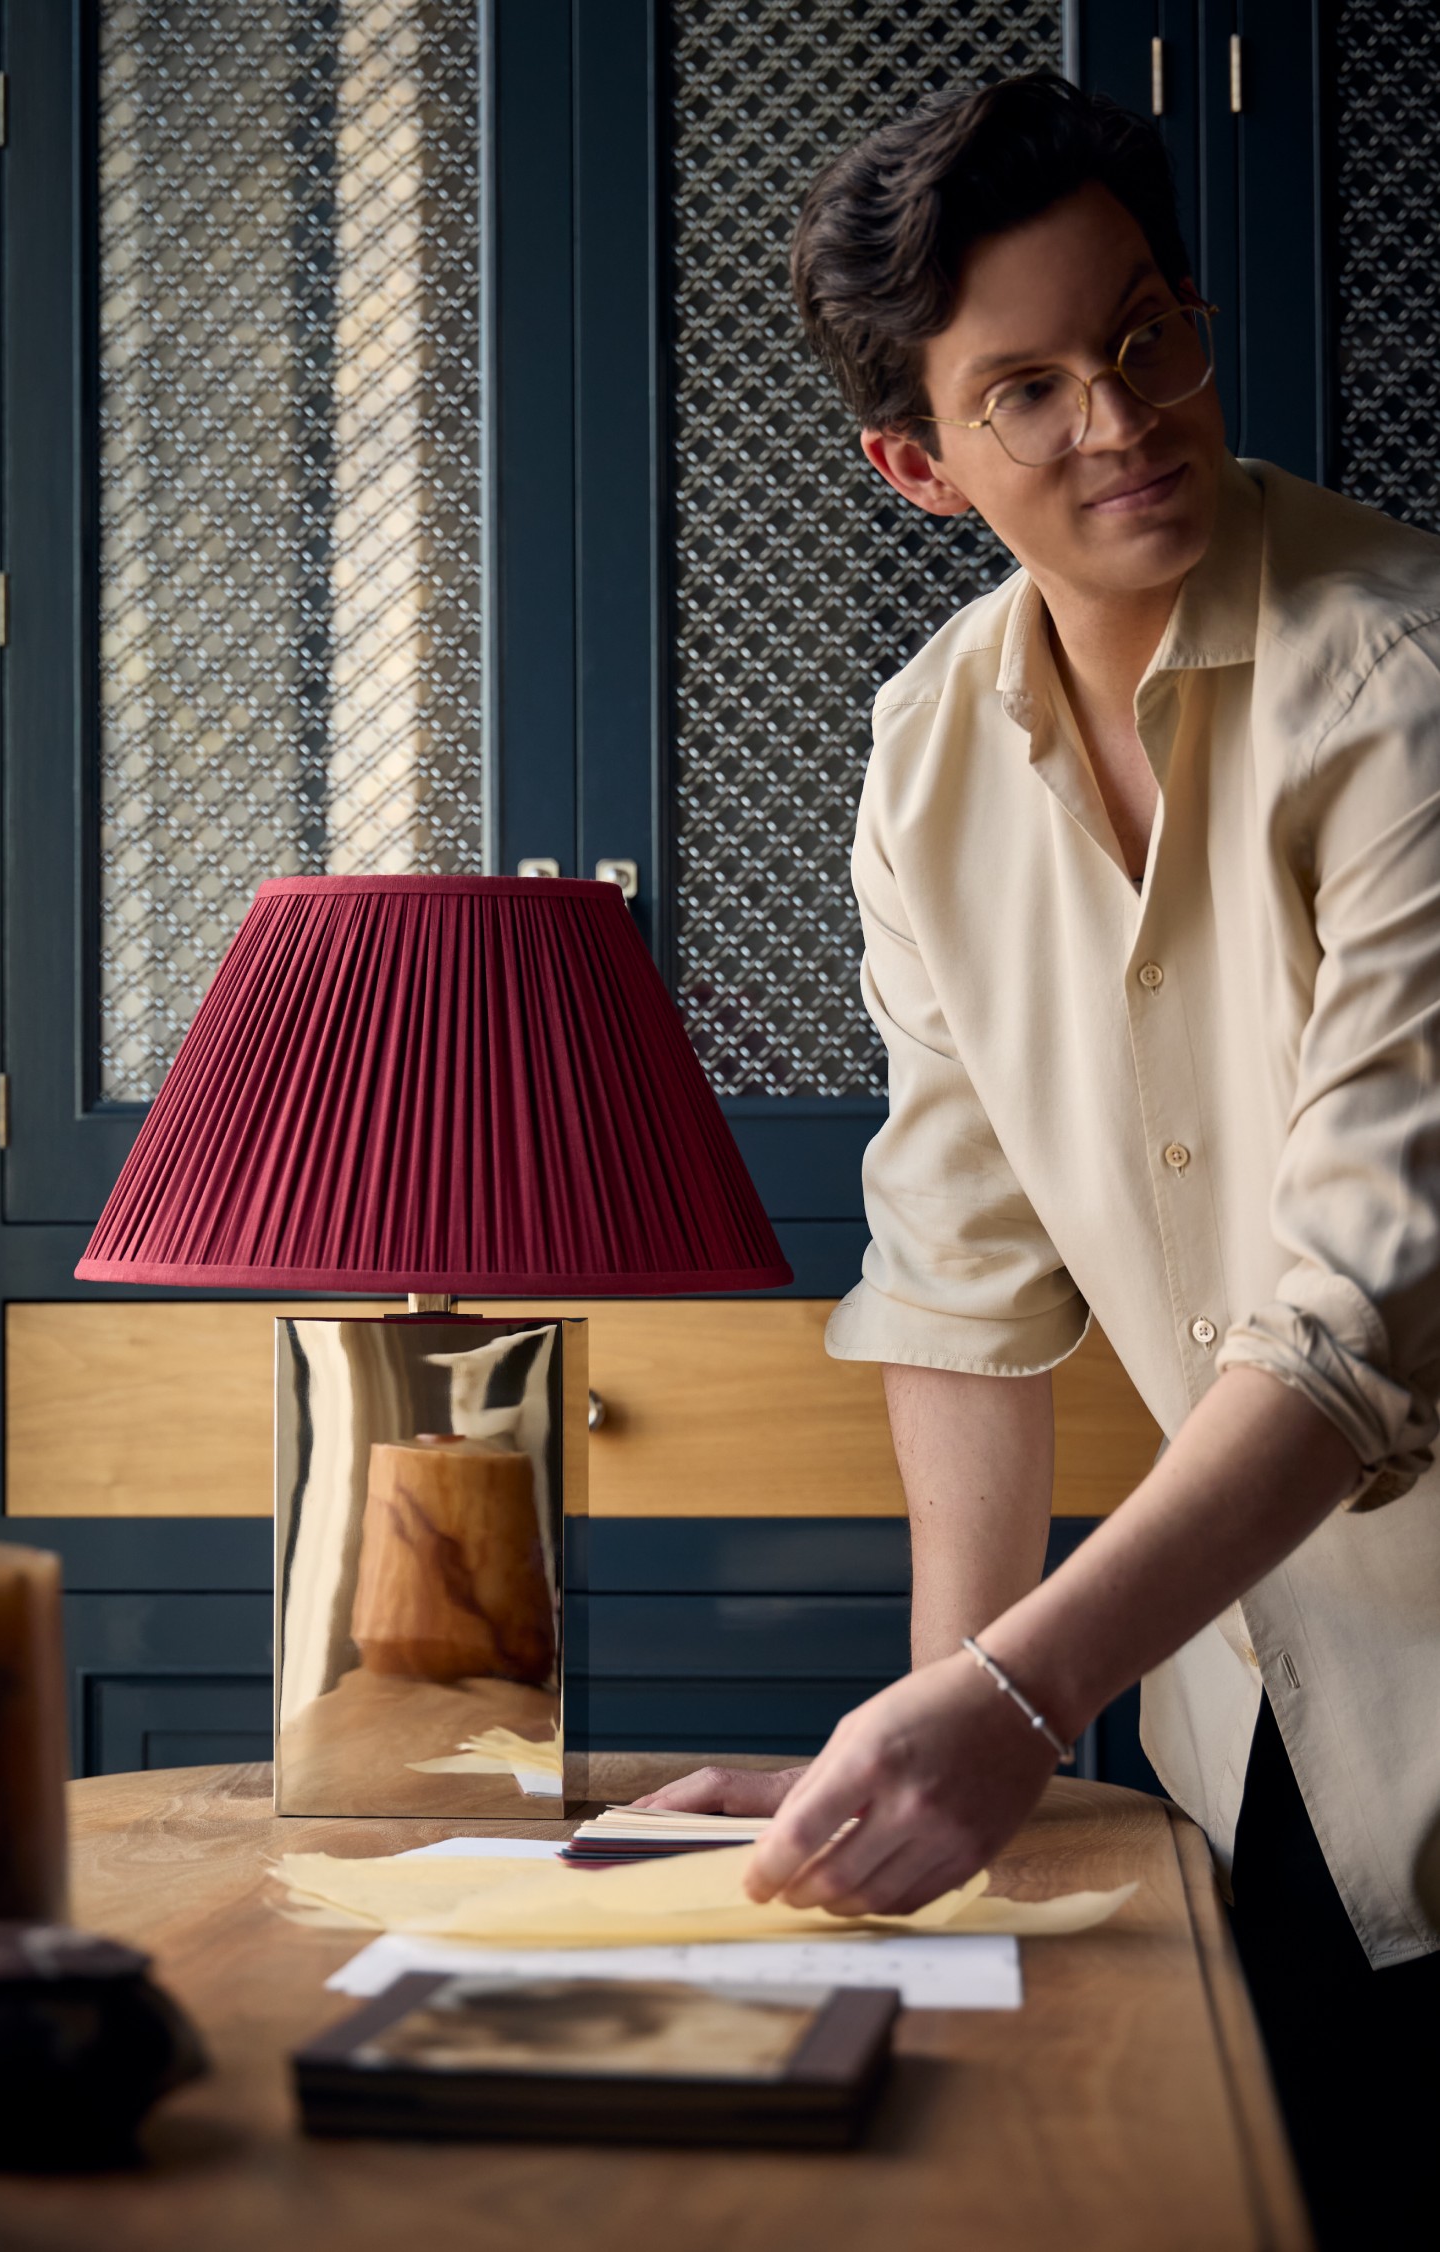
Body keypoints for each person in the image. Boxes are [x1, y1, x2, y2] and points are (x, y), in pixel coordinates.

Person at [636, 72, 1440, 2242]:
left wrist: (1003, 1698)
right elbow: (961, 1281)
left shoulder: (1406, 689)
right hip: (1236, 1715)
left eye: (1142, 335)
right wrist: (933, 1726)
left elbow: (1360, 1325)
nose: (1122, 417)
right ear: (914, 463)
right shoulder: (922, 757)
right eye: (1028, 388)